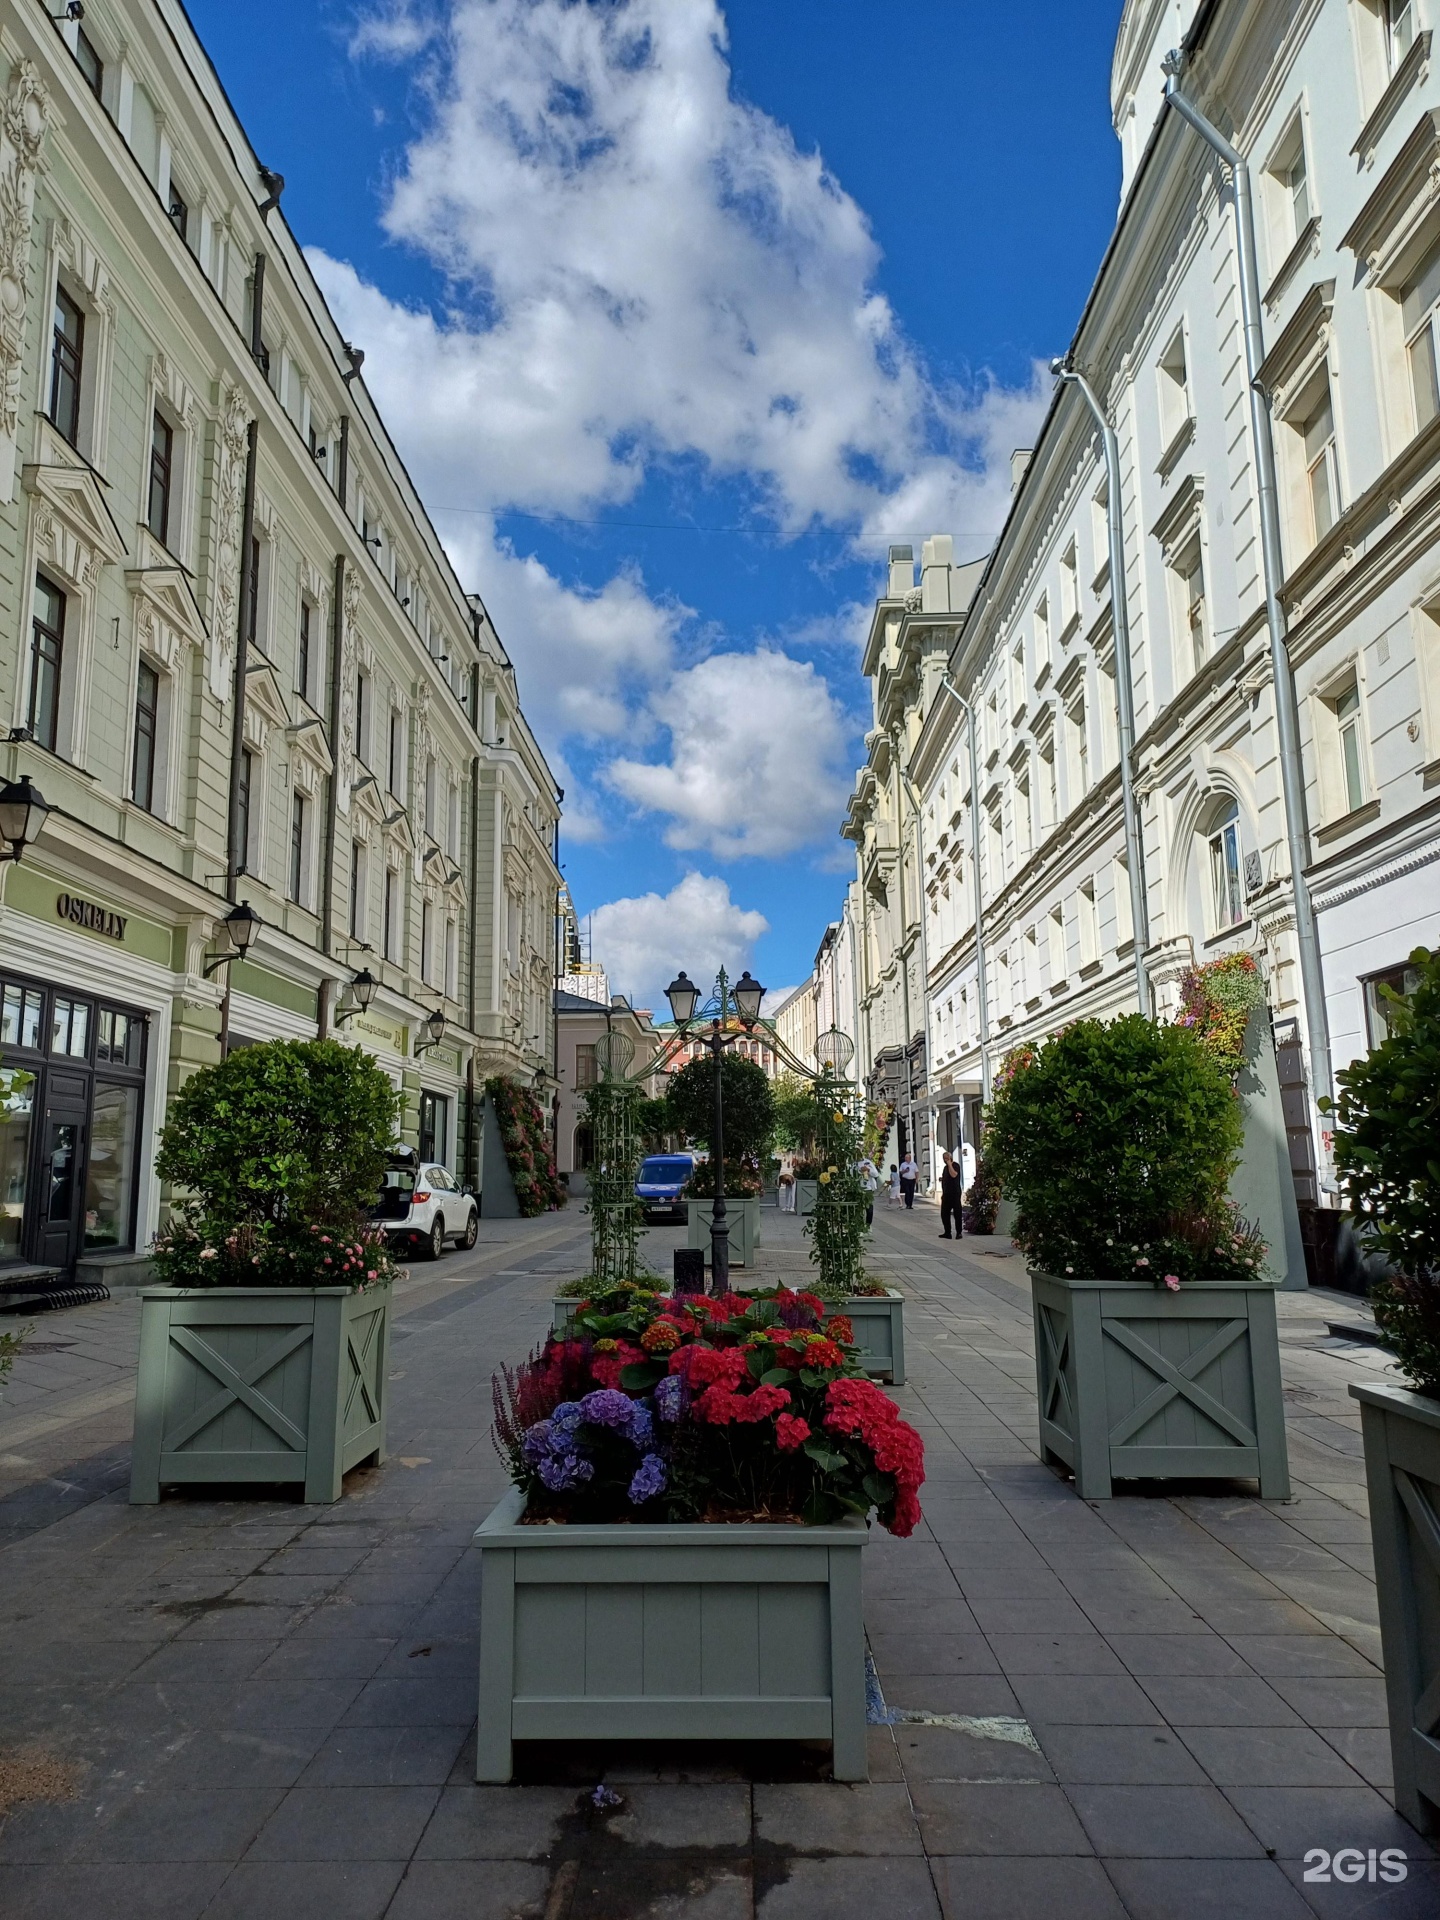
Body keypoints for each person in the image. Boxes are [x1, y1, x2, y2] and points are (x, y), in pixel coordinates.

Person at [939, 1149, 963, 1240]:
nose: (945, 1160)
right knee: (944, 1214)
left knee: (957, 1214)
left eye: (946, 1158)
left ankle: (959, 1232)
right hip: (946, 1194)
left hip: (955, 1194)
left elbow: (954, 1175)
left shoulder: (955, 1165)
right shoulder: (945, 1168)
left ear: (950, 1158)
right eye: (944, 1158)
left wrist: (950, 1164)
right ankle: (947, 1232)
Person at [856, 1155, 880, 1226]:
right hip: (857, 1188)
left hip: (868, 1188)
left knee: (869, 1208)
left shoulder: (867, 1162)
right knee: (858, 1208)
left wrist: (868, 1170)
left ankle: (868, 1224)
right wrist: (860, 1170)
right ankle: (860, 1226)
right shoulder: (852, 1163)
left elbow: (876, 1174)